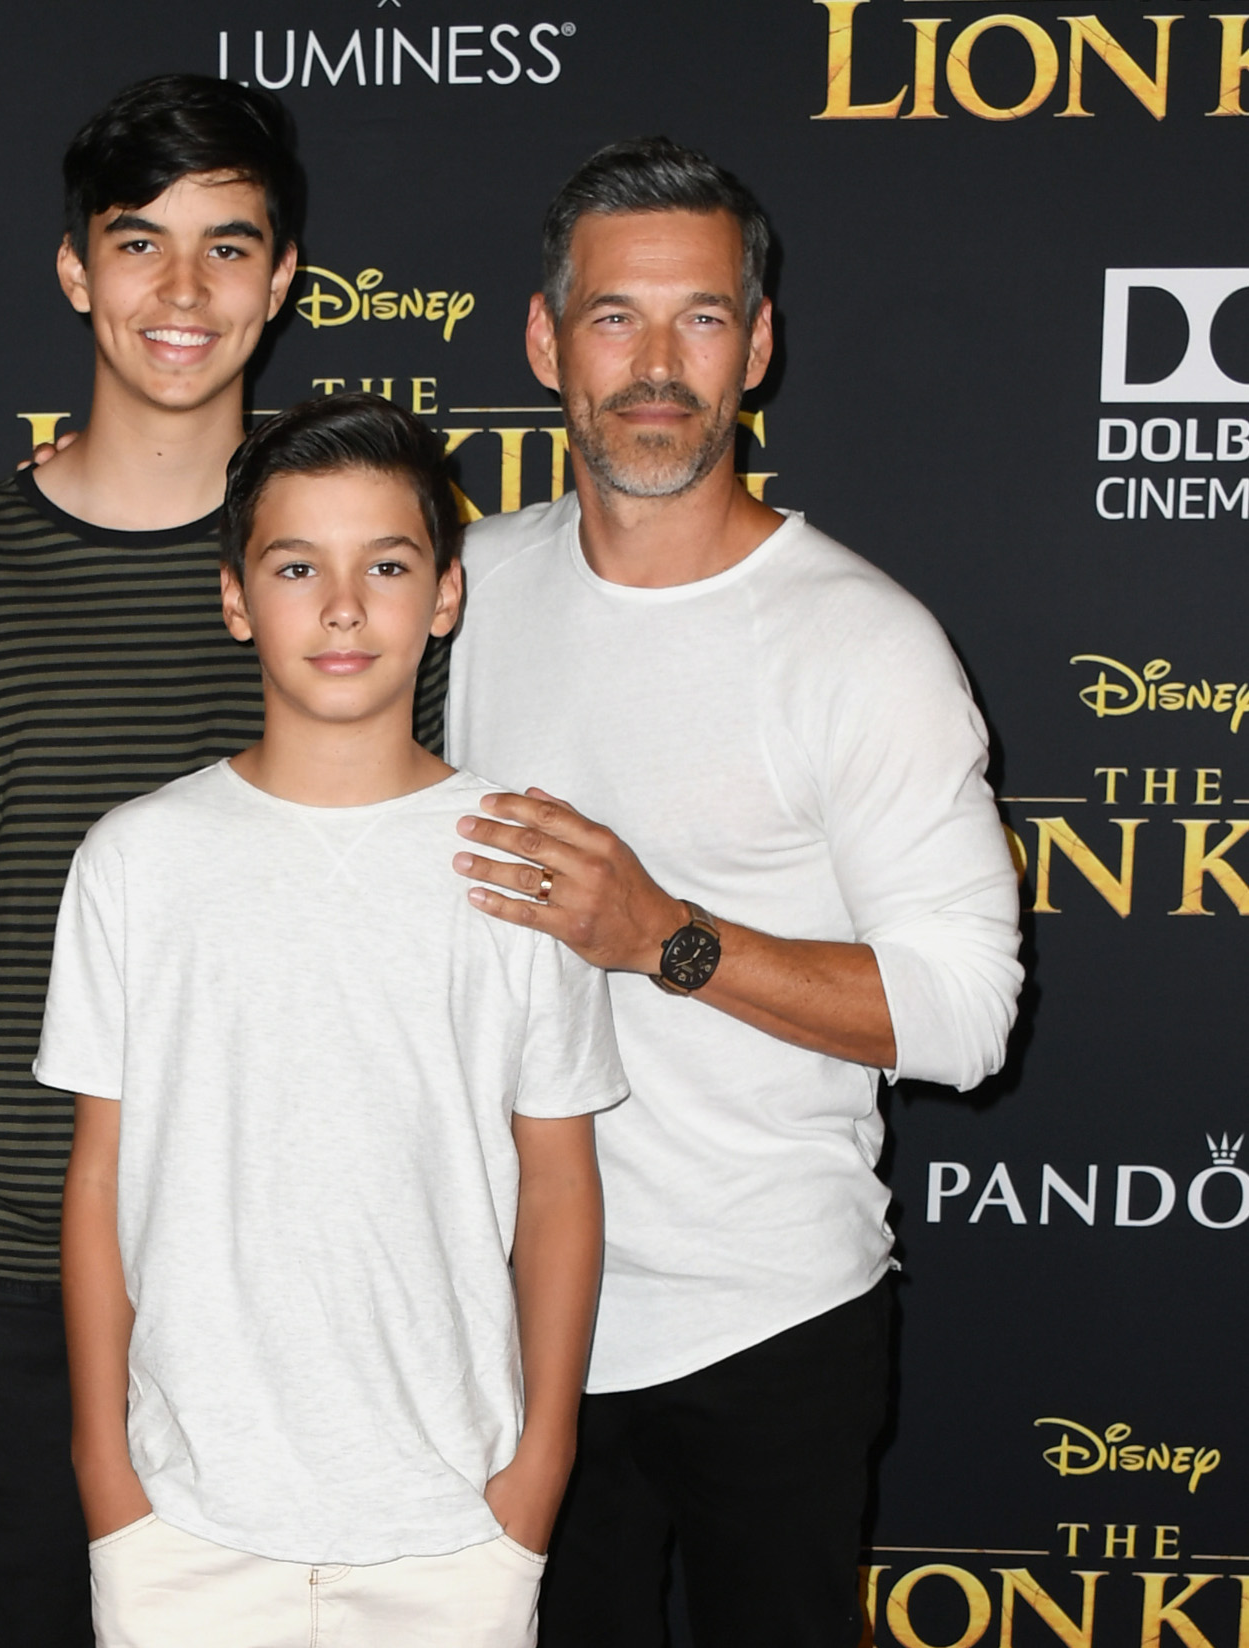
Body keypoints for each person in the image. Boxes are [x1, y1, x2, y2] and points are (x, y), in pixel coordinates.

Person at [0, 74, 443, 1646]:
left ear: (285, 277)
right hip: (8, 1263)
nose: (182, 294)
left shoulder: (352, 574)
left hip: (304, 1274)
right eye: (139, 245)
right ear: (76, 272)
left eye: (227, 246)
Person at [445, 139, 1025, 1647]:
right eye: (613, 318)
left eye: (699, 318)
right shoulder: (462, 589)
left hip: (766, 1320)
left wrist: (666, 940)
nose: (653, 365)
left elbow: (964, 1020)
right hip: (504, 1325)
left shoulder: (860, 643)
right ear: (541, 338)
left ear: (755, 346)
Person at [44, 394, 625, 1648]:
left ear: (448, 595)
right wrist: (108, 1476)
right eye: (298, 565)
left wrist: (535, 1476)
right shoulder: (137, 860)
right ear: (236, 597)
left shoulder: (526, 860)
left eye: (389, 564)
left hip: (453, 1527)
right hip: (184, 1527)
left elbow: (560, 1184)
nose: (345, 605)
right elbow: (99, 1178)